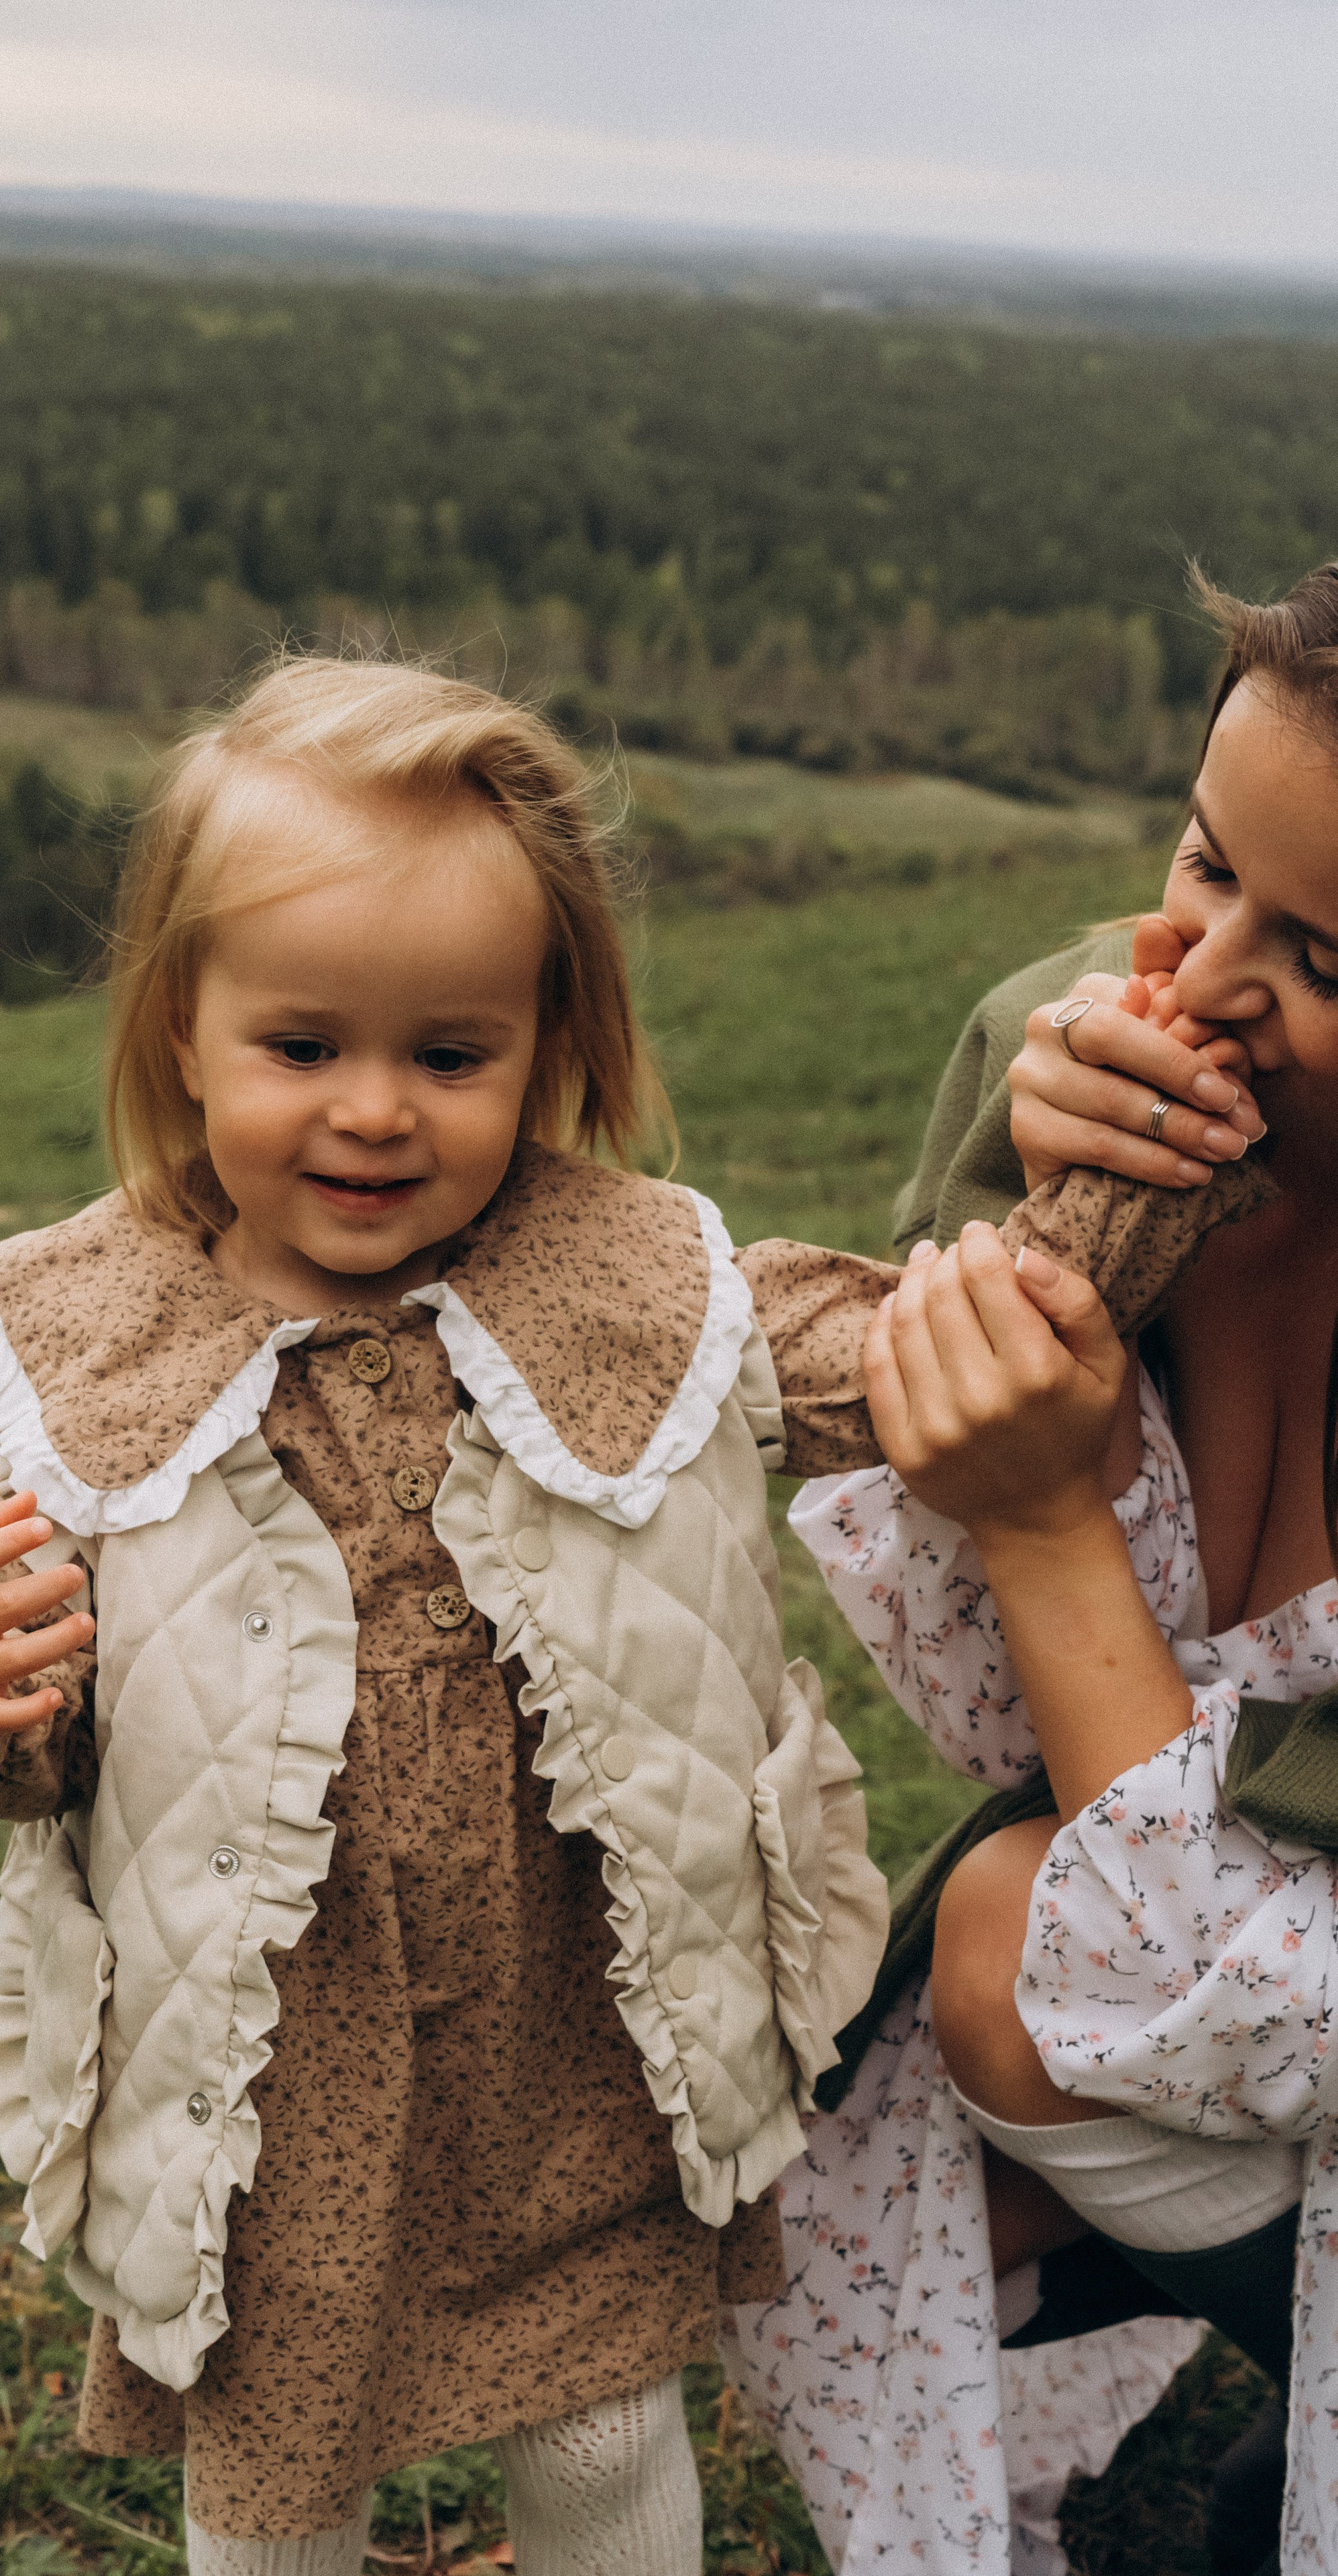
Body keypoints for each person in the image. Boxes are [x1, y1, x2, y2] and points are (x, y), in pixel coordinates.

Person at [725, 510, 1338, 2573]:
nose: (1196, 984)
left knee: (1011, 1953)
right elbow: (993, 1703)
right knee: (821, 2182)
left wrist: (1046, 1516)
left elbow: (1232, 1983)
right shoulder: (1107, 1088)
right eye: (1202, 862)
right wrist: (1028, 1226)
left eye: (1328, 964)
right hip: (1243, 1953)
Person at [0, 657, 895, 2576]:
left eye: (452, 1054)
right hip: (268, 2068)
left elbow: (937, 1361)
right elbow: (53, 1748)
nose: (376, 1115)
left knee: (596, 2438)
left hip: (567, 2034)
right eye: (304, 1046)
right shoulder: (67, 1355)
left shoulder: (641, 1283)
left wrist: (1120, 1145)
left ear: (550, 1042)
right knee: (280, 2487)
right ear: (179, 1033)